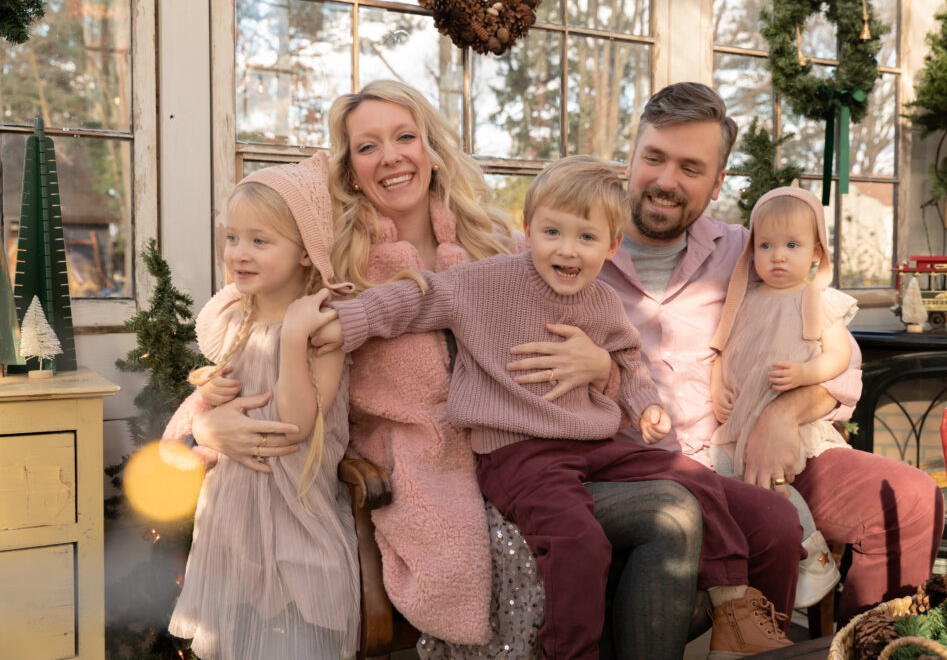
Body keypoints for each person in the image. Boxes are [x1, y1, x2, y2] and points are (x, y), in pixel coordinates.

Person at [165, 80, 708, 659]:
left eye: (406, 136)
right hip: (428, 480)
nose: (392, 156)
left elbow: (605, 340)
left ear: (430, 148)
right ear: (348, 169)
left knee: (682, 512)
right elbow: (250, 349)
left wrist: (600, 366)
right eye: (368, 147)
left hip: (535, 454)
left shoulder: (499, 245)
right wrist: (207, 425)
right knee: (667, 517)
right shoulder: (331, 263)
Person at [321, 154, 793, 659]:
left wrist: (645, 406)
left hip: (596, 442)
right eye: (552, 233)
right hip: (520, 455)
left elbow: (627, 361)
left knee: (692, 477)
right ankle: (570, 652)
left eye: (587, 238)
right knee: (578, 541)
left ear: (611, 245)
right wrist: (343, 321)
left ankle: (733, 609)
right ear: (529, 229)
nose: (568, 251)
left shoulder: (603, 302)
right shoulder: (486, 282)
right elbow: (414, 299)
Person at [599, 81, 944, 624]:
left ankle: (869, 645)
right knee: (771, 524)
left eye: (691, 168)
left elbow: (840, 355)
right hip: (640, 466)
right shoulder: (571, 248)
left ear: (717, 184)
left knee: (907, 498)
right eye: (654, 158)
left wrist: (784, 414)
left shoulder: (751, 250)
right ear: (630, 159)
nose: (666, 181)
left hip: (751, 444)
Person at [167, 154, 360, 659]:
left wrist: (294, 338)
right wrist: (209, 393)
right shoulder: (236, 321)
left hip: (298, 524)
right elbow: (216, 401)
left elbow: (294, 425)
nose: (239, 253)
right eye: (232, 238)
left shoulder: (322, 327)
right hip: (231, 528)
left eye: (260, 240)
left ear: (304, 251)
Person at [708, 186, 857, 610]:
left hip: (787, 424)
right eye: (766, 245)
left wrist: (806, 373)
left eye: (792, 245)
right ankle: (737, 585)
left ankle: (814, 553)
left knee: (777, 488)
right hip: (739, 422)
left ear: (815, 253)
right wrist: (718, 386)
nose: (777, 256)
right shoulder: (743, 300)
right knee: (723, 481)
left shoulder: (817, 300)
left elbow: (840, 356)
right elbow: (721, 350)